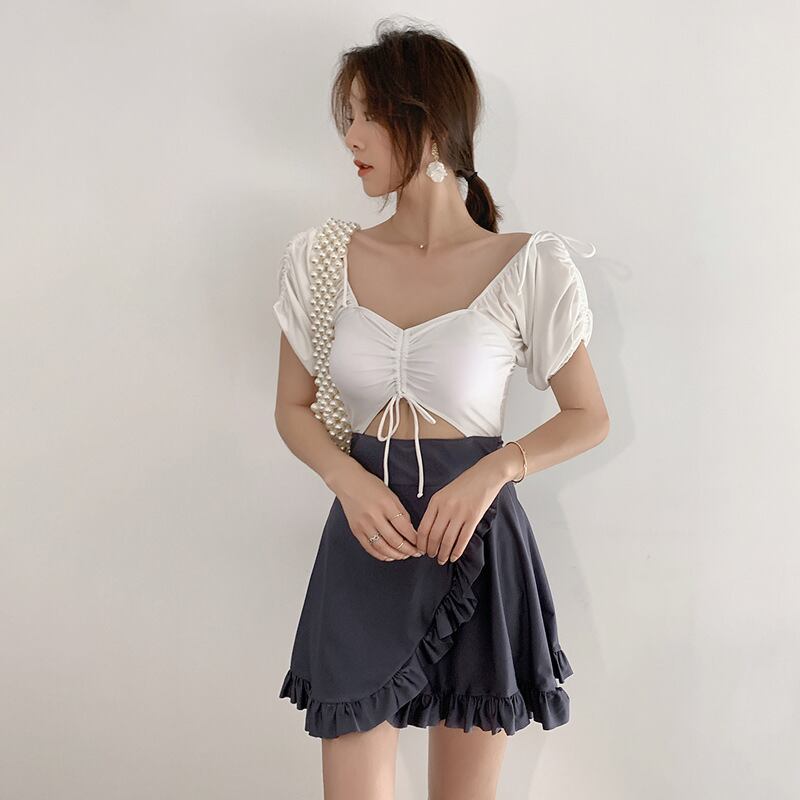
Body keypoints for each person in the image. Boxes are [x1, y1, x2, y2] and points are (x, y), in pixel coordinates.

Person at [272, 20, 610, 800]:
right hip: (367, 542)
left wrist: (495, 470)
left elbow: (588, 415)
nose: (351, 136)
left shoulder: (527, 263)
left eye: (368, 114)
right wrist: (348, 482)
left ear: (427, 125)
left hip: (476, 544)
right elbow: (292, 406)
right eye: (348, 116)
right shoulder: (320, 259)